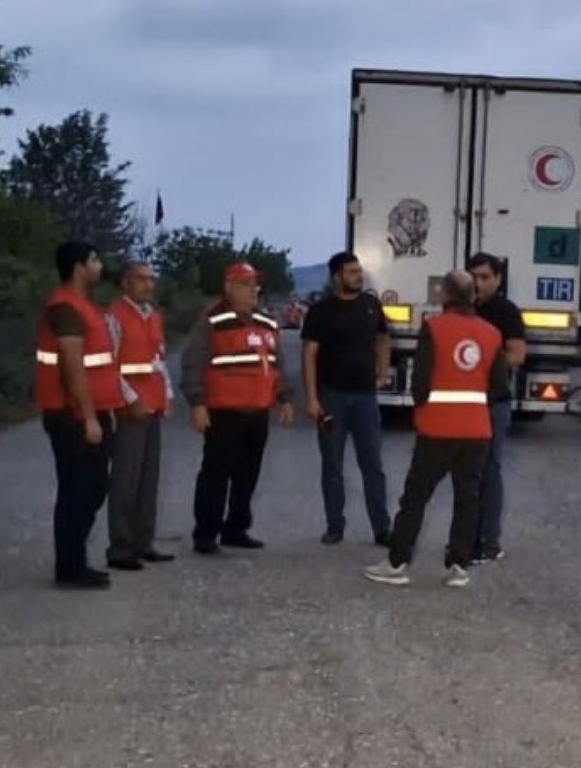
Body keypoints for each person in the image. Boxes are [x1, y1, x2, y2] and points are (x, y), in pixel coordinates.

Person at [364, 268, 508, 588]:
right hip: (477, 430)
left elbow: (421, 381)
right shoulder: (491, 333)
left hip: (437, 428)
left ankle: (397, 562)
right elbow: (499, 386)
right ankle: (459, 565)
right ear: (472, 295)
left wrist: (421, 409)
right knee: (467, 498)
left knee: (416, 497)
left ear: (445, 294)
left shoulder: (434, 328)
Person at [179, 262, 295, 555]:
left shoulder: (267, 323)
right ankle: (206, 533)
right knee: (216, 474)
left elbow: (277, 366)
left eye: (255, 284)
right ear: (229, 287)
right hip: (224, 412)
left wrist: (286, 399)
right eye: (246, 284)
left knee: (248, 474)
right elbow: (193, 363)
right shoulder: (212, 321)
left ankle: (236, 528)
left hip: (257, 412)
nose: (254, 289)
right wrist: (197, 403)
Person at [35, 241, 124, 590]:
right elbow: (73, 366)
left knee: (90, 487)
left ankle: (73, 561)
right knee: (81, 489)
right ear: (78, 267)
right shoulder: (65, 308)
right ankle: (70, 566)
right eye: (95, 260)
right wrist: (88, 418)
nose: (100, 266)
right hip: (72, 416)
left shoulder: (84, 306)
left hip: (90, 412)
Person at [301, 251, 392, 547]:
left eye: (359, 271)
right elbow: (309, 355)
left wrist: (383, 372)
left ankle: (382, 528)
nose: (358, 276)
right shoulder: (320, 311)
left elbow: (382, 338)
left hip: (365, 397)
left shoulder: (370, 305)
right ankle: (335, 525)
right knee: (332, 465)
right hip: (332, 397)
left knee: (373, 465)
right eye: (352, 272)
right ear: (336, 277)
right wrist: (312, 399)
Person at [103, 260, 176, 571]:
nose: (148, 285)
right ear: (125, 283)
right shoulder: (115, 318)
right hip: (129, 409)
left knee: (149, 479)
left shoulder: (154, 317)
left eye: (151, 279)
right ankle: (120, 547)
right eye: (141, 279)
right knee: (125, 480)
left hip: (153, 407)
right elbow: (109, 365)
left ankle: (143, 541)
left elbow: (158, 360)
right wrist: (130, 399)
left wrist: (168, 394)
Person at [467, 252, 526, 564]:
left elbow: (517, 354)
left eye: (485, 277)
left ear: (498, 279)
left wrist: (481, 364)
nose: (478, 283)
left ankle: (490, 541)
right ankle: (467, 536)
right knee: (466, 473)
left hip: (494, 403)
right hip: (463, 402)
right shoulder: (461, 310)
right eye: (474, 276)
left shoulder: (506, 311)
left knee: (489, 470)